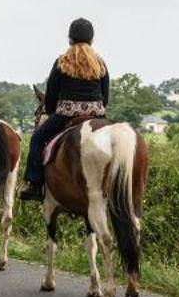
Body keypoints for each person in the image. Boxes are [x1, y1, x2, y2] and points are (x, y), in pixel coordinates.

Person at [19, 18, 111, 201]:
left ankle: (35, 185)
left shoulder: (62, 61)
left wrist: (53, 111)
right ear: (92, 40)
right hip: (97, 113)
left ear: (70, 39)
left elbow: (51, 95)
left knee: (37, 139)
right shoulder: (100, 63)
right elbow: (105, 95)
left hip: (66, 114)